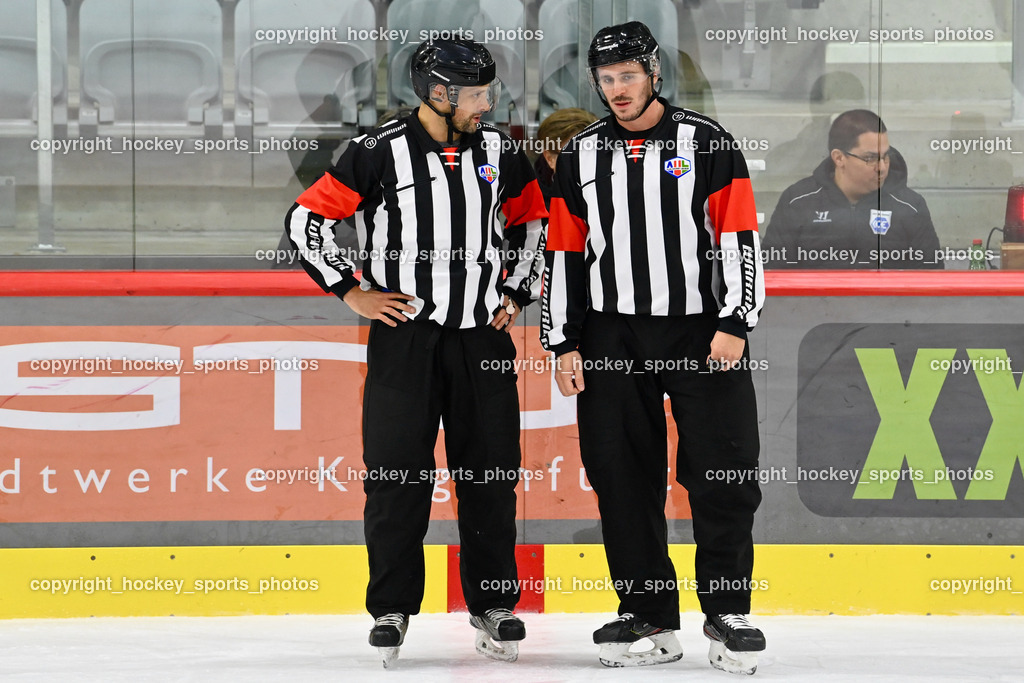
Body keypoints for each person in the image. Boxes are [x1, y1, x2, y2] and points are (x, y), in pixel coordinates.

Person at [284, 38, 547, 667]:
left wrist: (515, 290)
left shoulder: (499, 150)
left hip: (483, 339)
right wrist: (353, 291)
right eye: (478, 94)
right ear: (438, 94)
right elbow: (304, 223)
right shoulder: (378, 150)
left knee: (490, 476)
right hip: (405, 340)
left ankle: (492, 605)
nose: (489, 103)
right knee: (396, 477)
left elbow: (534, 222)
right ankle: (392, 608)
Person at [541, 21, 767, 673]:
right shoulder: (580, 154)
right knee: (621, 473)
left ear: (654, 74)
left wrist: (736, 320)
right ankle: (647, 614)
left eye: (628, 76)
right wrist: (563, 340)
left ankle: (728, 611)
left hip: (702, 329)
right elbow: (563, 253)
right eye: (606, 80)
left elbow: (737, 239)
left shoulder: (708, 143)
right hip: (613, 334)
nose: (617, 90)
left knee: (723, 471)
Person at [763, 109, 942, 269]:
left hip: (890, 306)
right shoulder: (798, 201)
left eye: (885, 156)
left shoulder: (909, 206)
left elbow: (932, 281)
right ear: (839, 158)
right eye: (870, 158)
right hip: (814, 305)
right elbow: (771, 274)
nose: (882, 167)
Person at [532, 107, 599, 203]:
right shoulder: (529, 210)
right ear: (550, 159)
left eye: (593, 155)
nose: (586, 165)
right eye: (573, 158)